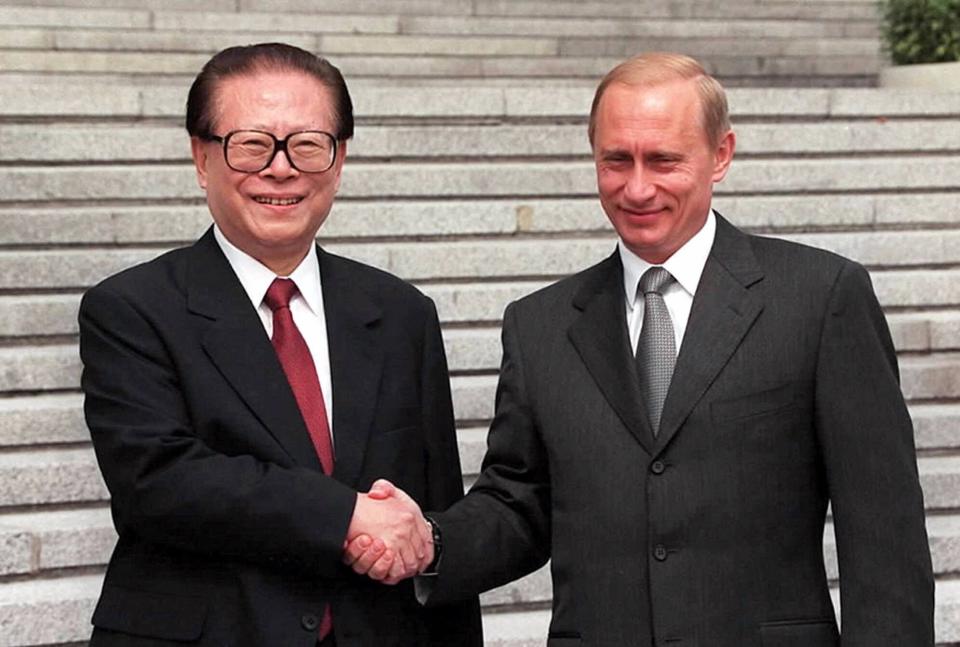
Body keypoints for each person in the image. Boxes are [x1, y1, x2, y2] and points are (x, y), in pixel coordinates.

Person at [345, 52, 935, 645]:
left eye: (663, 160)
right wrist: (431, 541)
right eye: (616, 161)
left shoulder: (820, 297)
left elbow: (886, 534)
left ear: (721, 155)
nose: (637, 188)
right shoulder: (540, 325)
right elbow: (519, 506)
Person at [79, 42, 481, 647]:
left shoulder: (402, 314)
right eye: (251, 144)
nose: (281, 168)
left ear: (339, 160)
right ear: (201, 156)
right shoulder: (132, 309)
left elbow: (430, 514)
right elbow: (161, 483)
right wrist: (346, 516)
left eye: (308, 145)